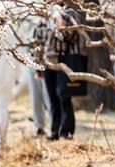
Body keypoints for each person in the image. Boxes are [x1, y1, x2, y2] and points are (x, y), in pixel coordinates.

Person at [37, 1, 83, 140]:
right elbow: (39, 40)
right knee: (52, 99)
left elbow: (71, 36)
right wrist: (38, 67)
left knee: (64, 97)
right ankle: (55, 131)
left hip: (64, 61)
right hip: (48, 63)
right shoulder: (46, 13)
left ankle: (66, 132)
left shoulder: (70, 13)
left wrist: (61, 21)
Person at [28, 20, 52, 137]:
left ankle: (53, 126)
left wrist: (39, 68)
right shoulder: (30, 25)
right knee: (35, 98)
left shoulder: (46, 24)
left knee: (48, 98)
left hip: (44, 66)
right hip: (31, 67)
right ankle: (39, 127)